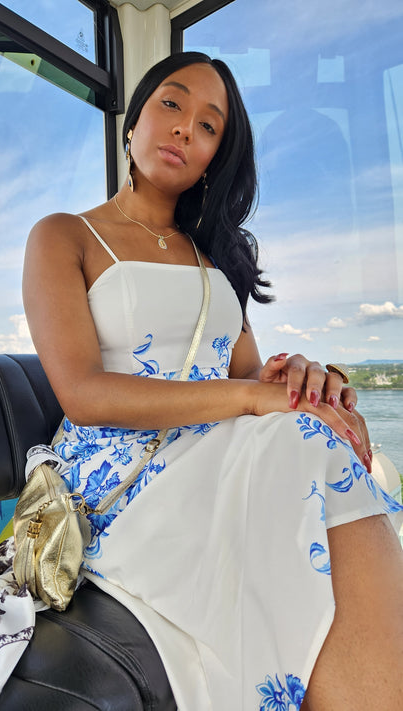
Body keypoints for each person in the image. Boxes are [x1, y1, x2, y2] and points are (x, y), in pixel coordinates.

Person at [22, 52, 403, 710]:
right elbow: (82, 392)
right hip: (120, 472)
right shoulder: (65, 236)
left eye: (207, 126)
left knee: (318, 435)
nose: (182, 129)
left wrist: (300, 380)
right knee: (308, 445)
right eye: (171, 104)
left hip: (218, 449)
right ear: (133, 115)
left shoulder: (214, 258)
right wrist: (257, 397)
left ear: (212, 157)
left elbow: (248, 375)